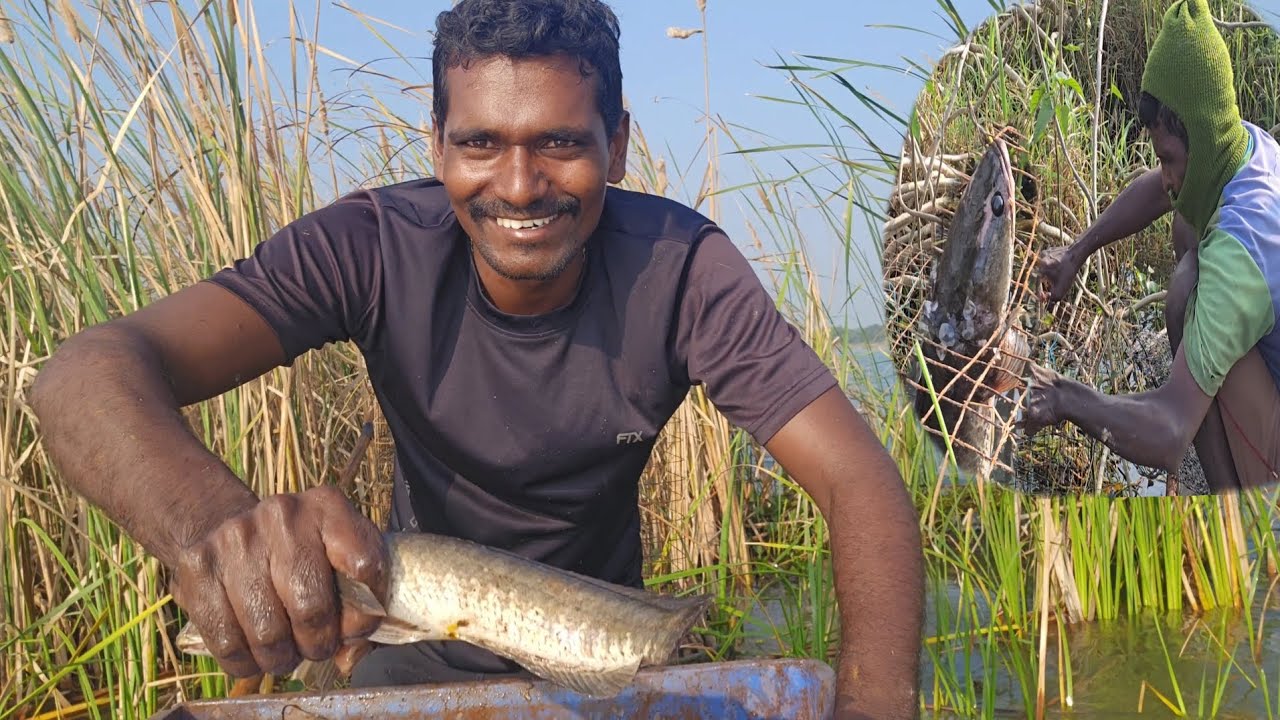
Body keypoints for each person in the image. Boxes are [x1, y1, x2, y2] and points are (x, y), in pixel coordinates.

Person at [28, 0, 924, 717]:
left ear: (617, 141)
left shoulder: (682, 270)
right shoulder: (372, 246)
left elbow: (859, 480)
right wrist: (213, 527)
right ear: (438, 143)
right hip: (406, 649)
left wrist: (874, 701)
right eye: (481, 143)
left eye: (562, 143)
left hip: (599, 658)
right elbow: (85, 373)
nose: (521, 185)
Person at [1023, 0, 1280, 492]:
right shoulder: (1246, 148)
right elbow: (1157, 186)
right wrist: (1076, 252)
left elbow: (1169, 432)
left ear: (1200, 137)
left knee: (1185, 289)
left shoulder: (1244, 246)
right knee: (1186, 223)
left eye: (1168, 157)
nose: (1165, 176)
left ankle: (1239, 515)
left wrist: (1064, 398)